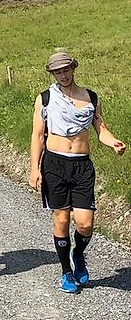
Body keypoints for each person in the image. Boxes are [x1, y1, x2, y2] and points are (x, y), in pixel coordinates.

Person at [29, 51, 126, 294]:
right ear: (52, 73)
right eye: (57, 72)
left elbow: (100, 128)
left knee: (85, 224)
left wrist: (113, 142)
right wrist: (34, 169)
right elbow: (38, 135)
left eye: (66, 70)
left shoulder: (90, 97)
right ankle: (66, 271)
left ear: (73, 68)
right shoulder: (46, 98)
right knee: (61, 220)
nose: (63, 75)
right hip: (54, 164)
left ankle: (78, 253)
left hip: (82, 165)